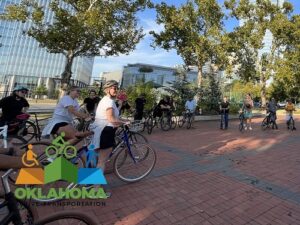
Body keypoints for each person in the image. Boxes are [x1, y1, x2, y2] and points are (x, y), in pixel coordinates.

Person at [90, 80, 126, 173]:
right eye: (114, 88)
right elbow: (111, 119)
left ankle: (88, 183)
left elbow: (113, 117)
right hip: (105, 131)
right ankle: (96, 187)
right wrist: (124, 123)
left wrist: (123, 120)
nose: (116, 90)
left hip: (101, 130)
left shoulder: (107, 100)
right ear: (107, 90)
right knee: (102, 162)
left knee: (95, 157)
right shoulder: (108, 102)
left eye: (116, 88)